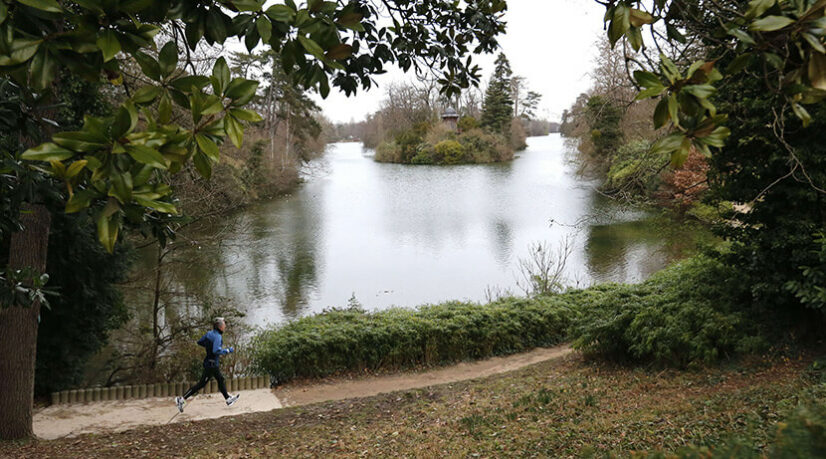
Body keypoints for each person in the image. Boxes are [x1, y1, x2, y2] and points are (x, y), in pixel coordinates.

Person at [175, 317, 240, 412]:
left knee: (220, 379)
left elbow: (200, 342)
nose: (225, 326)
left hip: (209, 362)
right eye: (224, 324)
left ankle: (228, 399)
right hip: (211, 365)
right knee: (202, 384)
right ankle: (181, 399)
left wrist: (208, 346)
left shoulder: (209, 334)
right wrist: (227, 350)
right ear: (220, 326)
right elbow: (216, 351)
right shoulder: (218, 337)